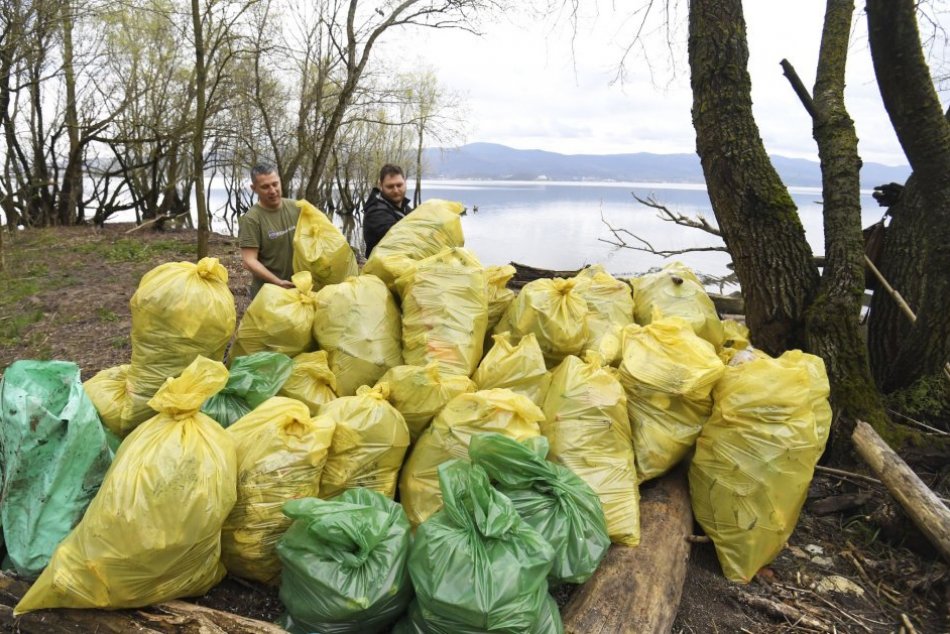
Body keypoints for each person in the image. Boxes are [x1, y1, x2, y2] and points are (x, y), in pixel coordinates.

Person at [238, 164, 300, 298]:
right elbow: (249, 260)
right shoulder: (252, 219)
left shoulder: (297, 208)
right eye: (265, 187)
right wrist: (277, 282)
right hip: (267, 294)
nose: (272, 191)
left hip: (298, 288)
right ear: (254, 189)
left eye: (275, 184)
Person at [362, 164, 413, 257]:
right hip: (381, 269)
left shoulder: (405, 208)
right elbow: (403, 240)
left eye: (399, 185)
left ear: (405, 183)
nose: (396, 190)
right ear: (381, 185)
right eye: (390, 186)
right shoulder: (376, 212)